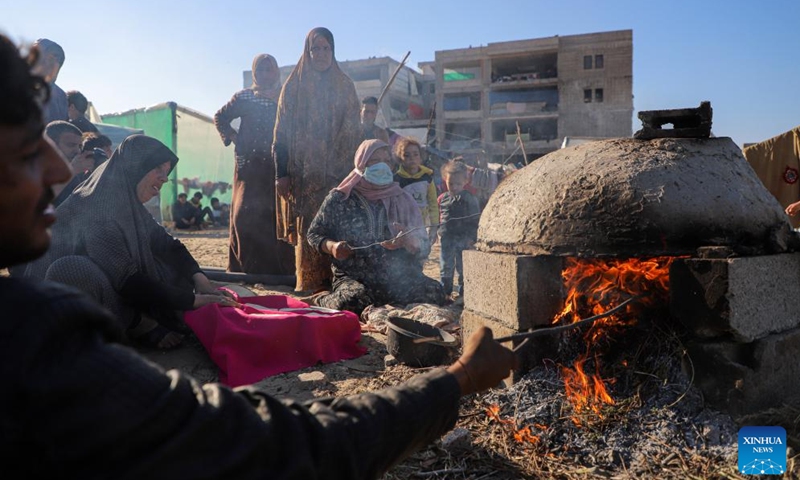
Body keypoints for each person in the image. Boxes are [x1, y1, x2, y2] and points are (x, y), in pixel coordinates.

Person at [0, 34, 519, 478]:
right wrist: (459, 381)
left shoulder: (42, 299)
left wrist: (199, 284)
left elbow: (167, 249)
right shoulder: (37, 333)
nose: (58, 169)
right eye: (26, 146)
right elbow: (264, 444)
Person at [25, 134, 236, 349]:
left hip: (107, 286)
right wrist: (192, 301)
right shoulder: (98, 204)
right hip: (58, 304)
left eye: (166, 172)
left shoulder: (129, 204)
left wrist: (199, 279)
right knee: (72, 270)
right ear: (136, 166)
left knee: (162, 260)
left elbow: (166, 244)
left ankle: (137, 319)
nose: (164, 178)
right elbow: (126, 279)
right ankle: (139, 324)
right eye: (158, 169)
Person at [307, 139, 448, 315]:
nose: (382, 166)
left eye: (386, 161)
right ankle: (322, 297)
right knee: (354, 301)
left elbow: (424, 248)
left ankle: (387, 301)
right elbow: (314, 234)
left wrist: (408, 242)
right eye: (374, 161)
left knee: (435, 292)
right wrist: (333, 247)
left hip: (398, 277)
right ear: (361, 163)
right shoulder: (340, 199)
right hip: (356, 276)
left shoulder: (402, 199)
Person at [273, 27, 361, 292]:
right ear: (307, 51)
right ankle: (309, 286)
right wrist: (281, 173)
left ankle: (339, 287)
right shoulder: (294, 85)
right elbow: (281, 132)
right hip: (303, 176)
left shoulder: (345, 86)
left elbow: (354, 130)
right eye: (316, 49)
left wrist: (353, 170)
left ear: (333, 51)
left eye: (326, 48)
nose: (321, 54)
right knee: (309, 229)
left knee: (337, 227)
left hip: (339, 175)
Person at [214, 53, 294, 274]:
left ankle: (277, 270)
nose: (265, 74)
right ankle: (245, 266)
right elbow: (220, 117)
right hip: (248, 166)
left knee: (275, 213)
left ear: (276, 72)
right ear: (255, 73)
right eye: (261, 70)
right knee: (245, 213)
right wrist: (234, 136)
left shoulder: (284, 99)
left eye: (270, 69)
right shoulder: (244, 97)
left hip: (277, 164)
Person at [438, 161, 481, 297]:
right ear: (445, 180)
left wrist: (472, 238)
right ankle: (446, 293)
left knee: (463, 267)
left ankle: (463, 295)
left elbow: (475, 220)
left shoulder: (470, 199)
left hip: (464, 238)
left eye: (458, 184)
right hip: (447, 238)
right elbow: (439, 217)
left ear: (465, 181)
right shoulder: (443, 199)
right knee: (446, 266)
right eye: (451, 183)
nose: (454, 187)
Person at [394, 137, 439, 245]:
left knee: (420, 255)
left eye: (415, 154)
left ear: (421, 157)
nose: (412, 158)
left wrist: (434, 227)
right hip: (403, 227)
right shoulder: (397, 180)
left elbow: (433, 203)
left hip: (422, 226)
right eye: (407, 155)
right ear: (400, 158)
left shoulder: (427, 178)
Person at [31, 38, 67, 124]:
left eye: (58, 58)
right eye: (50, 57)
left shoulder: (61, 95)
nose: (55, 62)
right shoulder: (17, 86)